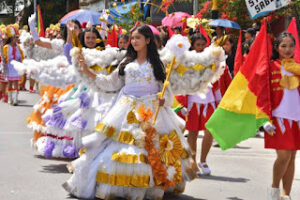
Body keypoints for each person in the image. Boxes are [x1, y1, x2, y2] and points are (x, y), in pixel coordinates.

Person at [63, 25, 225, 199]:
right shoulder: (126, 63)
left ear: (148, 40)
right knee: (123, 149)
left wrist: (164, 100)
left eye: (137, 38)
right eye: (132, 38)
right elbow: (110, 83)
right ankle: (121, 185)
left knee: (152, 149)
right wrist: (87, 71)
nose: (133, 41)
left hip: (152, 110)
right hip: (126, 111)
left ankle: (149, 185)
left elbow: (166, 89)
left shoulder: (158, 64)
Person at [266, 32, 300, 200]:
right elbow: (263, 94)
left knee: (292, 156)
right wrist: (263, 118)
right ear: (277, 48)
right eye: (283, 46)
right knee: (283, 156)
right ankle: (274, 188)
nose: (288, 49)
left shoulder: (298, 67)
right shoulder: (270, 66)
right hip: (278, 118)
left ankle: (286, 194)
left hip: (297, 117)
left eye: (291, 46)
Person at [2, 25, 24, 106]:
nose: (17, 39)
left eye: (17, 37)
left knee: (16, 83)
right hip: (9, 67)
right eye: (15, 37)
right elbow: (4, 58)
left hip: (16, 67)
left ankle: (15, 99)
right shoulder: (6, 47)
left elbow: (21, 57)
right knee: (10, 83)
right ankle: (10, 98)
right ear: (11, 38)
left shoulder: (18, 47)